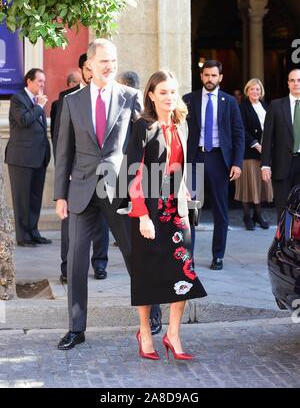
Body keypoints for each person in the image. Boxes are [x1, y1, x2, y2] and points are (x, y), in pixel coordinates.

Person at [54, 38, 164, 350]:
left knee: (133, 253)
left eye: (113, 60)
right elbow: (63, 152)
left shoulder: (130, 97)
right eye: (104, 60)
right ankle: (76, 328)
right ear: (89, 65)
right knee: (76, 260)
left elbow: (146, 141)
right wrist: (60, 195)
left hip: (119, 190)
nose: (110, 65)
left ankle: (152, 310)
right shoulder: (72, 102)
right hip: (81, 190)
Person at [122, 70, 207, 360]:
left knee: (183, 270)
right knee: (147, 273)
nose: (170, 97)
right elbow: (133, 173)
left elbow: (179, 164)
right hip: (149, 209)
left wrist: (183, 189)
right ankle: (145, 332)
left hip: (177, 209)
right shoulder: (142, 126)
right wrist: (143, 216)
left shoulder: (182, 123)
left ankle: (173, 334)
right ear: (151, 95)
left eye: (173, 91)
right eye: (163, 92)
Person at [52, 53, 110, 283]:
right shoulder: (67, 98)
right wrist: (63, 171)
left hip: (105, 174)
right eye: (86, 68)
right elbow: (59, 139)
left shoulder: (110, 96)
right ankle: (67, 267)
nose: (90, 72)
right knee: (70, 226)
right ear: (82, 70)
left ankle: (100, 264)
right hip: (75, 174)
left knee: (103, 223)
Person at [183, 60, 245, 270]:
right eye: (206, 75)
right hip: (194, 159)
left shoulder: (229, 102)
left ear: (220, 77)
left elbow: (238, 134)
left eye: (214, 76)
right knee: (189, 209)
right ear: (201, 77)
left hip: (219, 160)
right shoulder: (188, 100)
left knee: (221, 210)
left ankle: (218, 256)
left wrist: (237, 163)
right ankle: (187, 257)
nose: (210, 79)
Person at [5, 68, 52, 247]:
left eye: (43, 81)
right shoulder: (18, 99)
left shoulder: (35, 101)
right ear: (29, 81)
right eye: (39, 81)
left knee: (34, 198)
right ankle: (23, 236)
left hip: (38, 158)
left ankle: (33, 232)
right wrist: (39, 106)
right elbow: (24, 120)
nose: (42, 85)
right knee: (22, 199)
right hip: (21, 158)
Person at [262, 68, 300, 220]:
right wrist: (265, 165)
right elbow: (267, 137)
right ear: (288, 84)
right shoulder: (276, 105)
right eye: (292, 80)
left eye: (299, 80)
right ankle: (284, 243)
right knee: (284, 210)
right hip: (282, 165)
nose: (296, 83)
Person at [235, 78, 273, 230]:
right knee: (247, 186)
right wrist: (256, 145)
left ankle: (258, 215)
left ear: (261, 91)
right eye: (252, 89)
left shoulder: (266, 106)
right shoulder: (242, 107)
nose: (255, 92)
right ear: (247, 91)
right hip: (248, 152)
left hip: (265, 153)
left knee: (260, 185)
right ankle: (246, 216)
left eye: (257, 89)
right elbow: (241, 129)